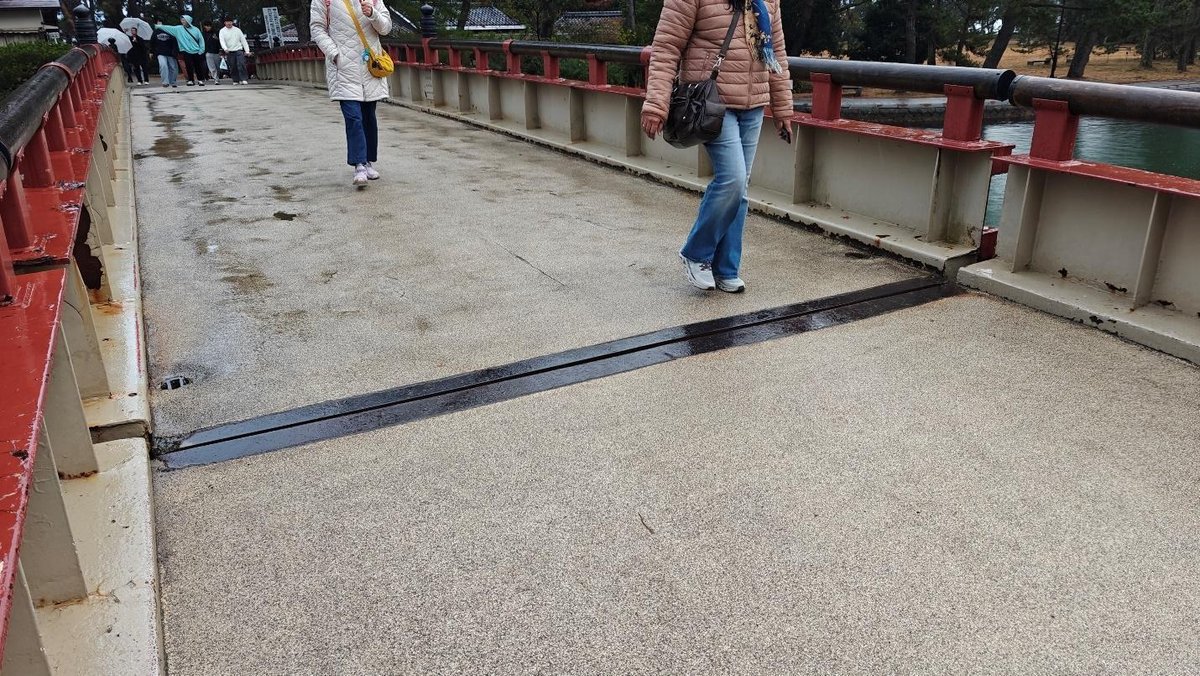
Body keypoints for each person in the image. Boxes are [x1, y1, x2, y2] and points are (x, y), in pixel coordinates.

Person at [642, 0, 792, 293]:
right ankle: (696, 253)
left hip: (754, 104)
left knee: (741, 190)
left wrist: (784, 109)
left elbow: (778, 53)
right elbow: (666, 47)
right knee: (733, 180)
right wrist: (656, 104)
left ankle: (726, 268)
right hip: (711, 103)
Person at [310, 0, 392, 187]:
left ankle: (368, 161)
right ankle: (359, 165)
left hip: (369, 67)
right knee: (354, 117)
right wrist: (335, 54)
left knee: (368, 117)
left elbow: (386, 28)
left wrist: (372, 13)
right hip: (344, 68)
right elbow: (317, 29)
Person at [156, 15, 206, 86]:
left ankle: (200, 80)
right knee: (188, 66)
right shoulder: (178, 29)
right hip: (185, 50)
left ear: (188, 20)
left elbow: (201, 40)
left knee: (198, 66)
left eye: (184, 20)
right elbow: (168, 28)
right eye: (182, 20)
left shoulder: (196, 29)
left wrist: (201, 50)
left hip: (197, 50)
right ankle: (190, 80)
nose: (182, 22)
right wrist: (156, 26)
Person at [218, 17, 252, 85]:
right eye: (227, 22)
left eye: (230, 22)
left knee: (241, 64)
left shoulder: (237, 30)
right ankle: (235, 80)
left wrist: (247, 51)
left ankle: (244, 79)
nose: (229, 23)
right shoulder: (222, 31)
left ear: (232, 22)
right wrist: (225, 48)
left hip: (238, 49)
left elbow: (243, 40)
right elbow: (222, 41)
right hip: (229, 51)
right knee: (233, 66)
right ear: (225, 23)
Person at [150, 20, 179, 88]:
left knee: (173, 67)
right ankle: (165, 82)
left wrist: (175, 51)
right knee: (163, 65)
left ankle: (173, 81)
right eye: (158, 23)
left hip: (170, 53)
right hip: (160, 52)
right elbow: (152, 42)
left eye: (160, 22)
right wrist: (151, 52)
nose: (159, 24)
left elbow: (174, 41)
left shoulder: (169, 30)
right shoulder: (155, 32)